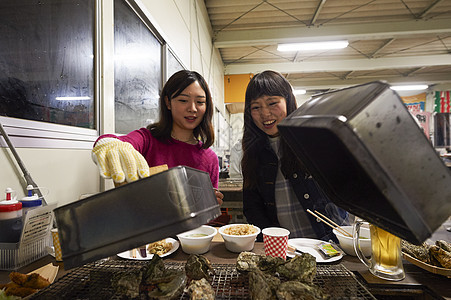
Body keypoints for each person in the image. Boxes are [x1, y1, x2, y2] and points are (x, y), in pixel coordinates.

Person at [241, 70, 349, 242]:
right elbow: (253, 207)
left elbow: (343, 191)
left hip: (326, 244)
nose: (265, 113)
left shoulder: (312, 141)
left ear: (288, 101)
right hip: (283, 250)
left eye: (272, 103)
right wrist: (270, 241)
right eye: (256, 107)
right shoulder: (253, 153)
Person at [92, 70, 224, 205]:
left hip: (193, 227)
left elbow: (205, 215)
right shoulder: (147, 140)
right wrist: (109, 143)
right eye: (183, 100)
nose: (192, 108)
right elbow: (119, 142)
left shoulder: (210, 158)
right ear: (168, 102)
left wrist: (209, 204)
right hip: (144, 225)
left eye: (200, 102)